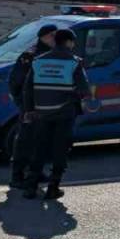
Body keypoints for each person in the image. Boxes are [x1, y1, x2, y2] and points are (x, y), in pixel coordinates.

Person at [21, 28, 90, 200]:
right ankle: (53, 188)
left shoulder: (38, 61)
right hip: (64, 113)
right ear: (68, 42)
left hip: (41, 113)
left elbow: (28, 89)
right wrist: (72, 95)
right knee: (60, 149)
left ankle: (30, 187)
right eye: (73, 42)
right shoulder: (74, 62)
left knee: (39, 148)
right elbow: (84, 90)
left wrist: (29, 110)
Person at [7, 24, 56, 190]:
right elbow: (16, 82)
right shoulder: (30, 55)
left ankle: (36, 171)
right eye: (51, 35)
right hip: (30, 106)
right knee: (25, 141)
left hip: (46, 106)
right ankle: (17, 176)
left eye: (56, 35)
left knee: (41, 141)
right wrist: (23, 104)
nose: (54, 38)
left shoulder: (53, 54)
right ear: (43, 36)